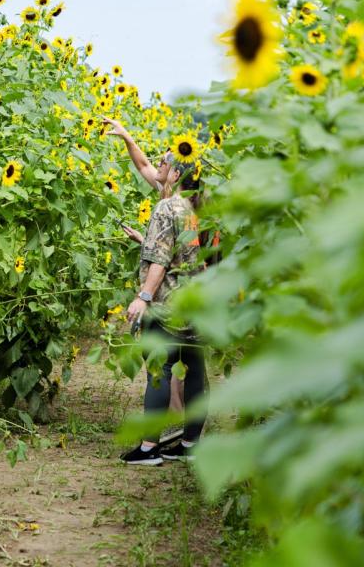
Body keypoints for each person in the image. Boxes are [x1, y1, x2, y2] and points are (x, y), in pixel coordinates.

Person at [103, 118, 207, 466]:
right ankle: (190, 446)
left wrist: (143, 297)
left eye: (165, 162)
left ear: (176, 174)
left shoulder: (165, 206)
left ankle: (149, 449)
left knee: (158, 370)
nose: (159, 165)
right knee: (194, 368)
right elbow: (183, 250)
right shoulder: (192, 208)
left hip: (167, 302)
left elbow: (161, 259)